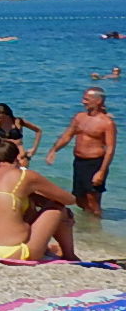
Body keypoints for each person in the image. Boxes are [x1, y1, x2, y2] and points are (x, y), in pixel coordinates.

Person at [0, 140, 78, 260]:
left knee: (21, 204)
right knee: (58, 206)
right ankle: (70, 255)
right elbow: (69, 199)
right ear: (17, 158)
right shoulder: (24, 175)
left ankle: (51, 249)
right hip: (11, 252)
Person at [46, 86, 116, 217]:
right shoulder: (79, 117)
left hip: (95, 163)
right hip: (79, 162)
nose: (83, 102)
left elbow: (110, 148)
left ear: (98, 101)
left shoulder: (107, 123)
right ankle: (87, 228)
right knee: (78, 199)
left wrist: (101, 171)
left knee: (92, 200)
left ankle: (96, 228)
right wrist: (54, 150)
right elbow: (67, 135)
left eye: (86, 99)